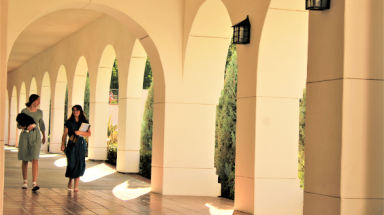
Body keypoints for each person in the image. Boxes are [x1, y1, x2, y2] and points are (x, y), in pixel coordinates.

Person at [17, 94, 46, 191]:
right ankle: (25, 182)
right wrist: (26, 127)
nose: (39, 102)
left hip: (36, 136)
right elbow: (19, 125)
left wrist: (44, 136)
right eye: (38, 100)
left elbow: (41, 124)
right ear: (32, 100)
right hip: (25, 136)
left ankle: (34, 183)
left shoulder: (40, 113)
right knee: (25, 159)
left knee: (35, 158)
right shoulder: (24, 111)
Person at [61, 105, 91, 192]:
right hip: (71, 144)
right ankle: (70, 180)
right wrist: (62, 144)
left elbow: (89, 134)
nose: (75, 112)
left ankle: (76, 186)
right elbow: (65, 134)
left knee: (79, 163)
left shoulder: (84, 121)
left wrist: (80, 132)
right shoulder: (69, 122)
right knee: (71, 164)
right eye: (74, 110)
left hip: (81, 145)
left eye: (77, 110)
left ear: (80, 111)